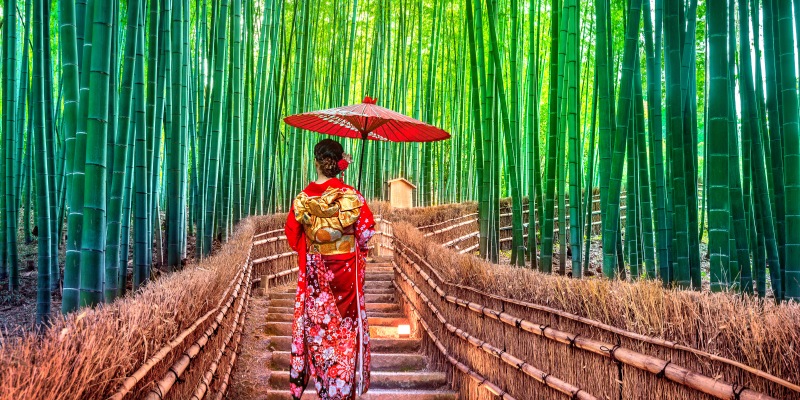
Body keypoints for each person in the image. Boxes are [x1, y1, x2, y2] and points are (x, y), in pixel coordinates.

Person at [284, 139, 375, 400]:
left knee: (319, 332)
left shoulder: (303, 198)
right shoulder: (351, 196)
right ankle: (342, 390)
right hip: (345, 275)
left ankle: (325, 388)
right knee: (344, 333)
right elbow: (366, 233)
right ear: (339, 164)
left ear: (316, 162)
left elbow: (293, 236)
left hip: (316, 276)